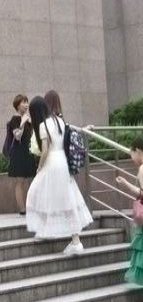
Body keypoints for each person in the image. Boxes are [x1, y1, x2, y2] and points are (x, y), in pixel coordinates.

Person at [25, 96, 92, 254]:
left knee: (36, 193)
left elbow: (45, 150)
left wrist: (39, 167)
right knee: (67, 199)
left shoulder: (43, 125)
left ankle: (43, 230)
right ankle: (75, 240)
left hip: (51, 163)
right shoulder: (58, 121)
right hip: (63, 162)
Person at [116, 136, 143, 285]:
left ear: (137, 151)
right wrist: (126, 183)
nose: (131, 158)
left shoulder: (142, 168)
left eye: (131, 153)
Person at [6, 95, 36, 215]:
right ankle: (22, 209)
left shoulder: (28, 119)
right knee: (20, 181)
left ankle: (32, 206)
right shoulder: (15, 119)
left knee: (32, 179)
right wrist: (22, 123)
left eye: (27, 102)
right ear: (17, 105)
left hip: (28, 152)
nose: (26, 104)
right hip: (18, 153)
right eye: (23, 102)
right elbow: (17, 136)